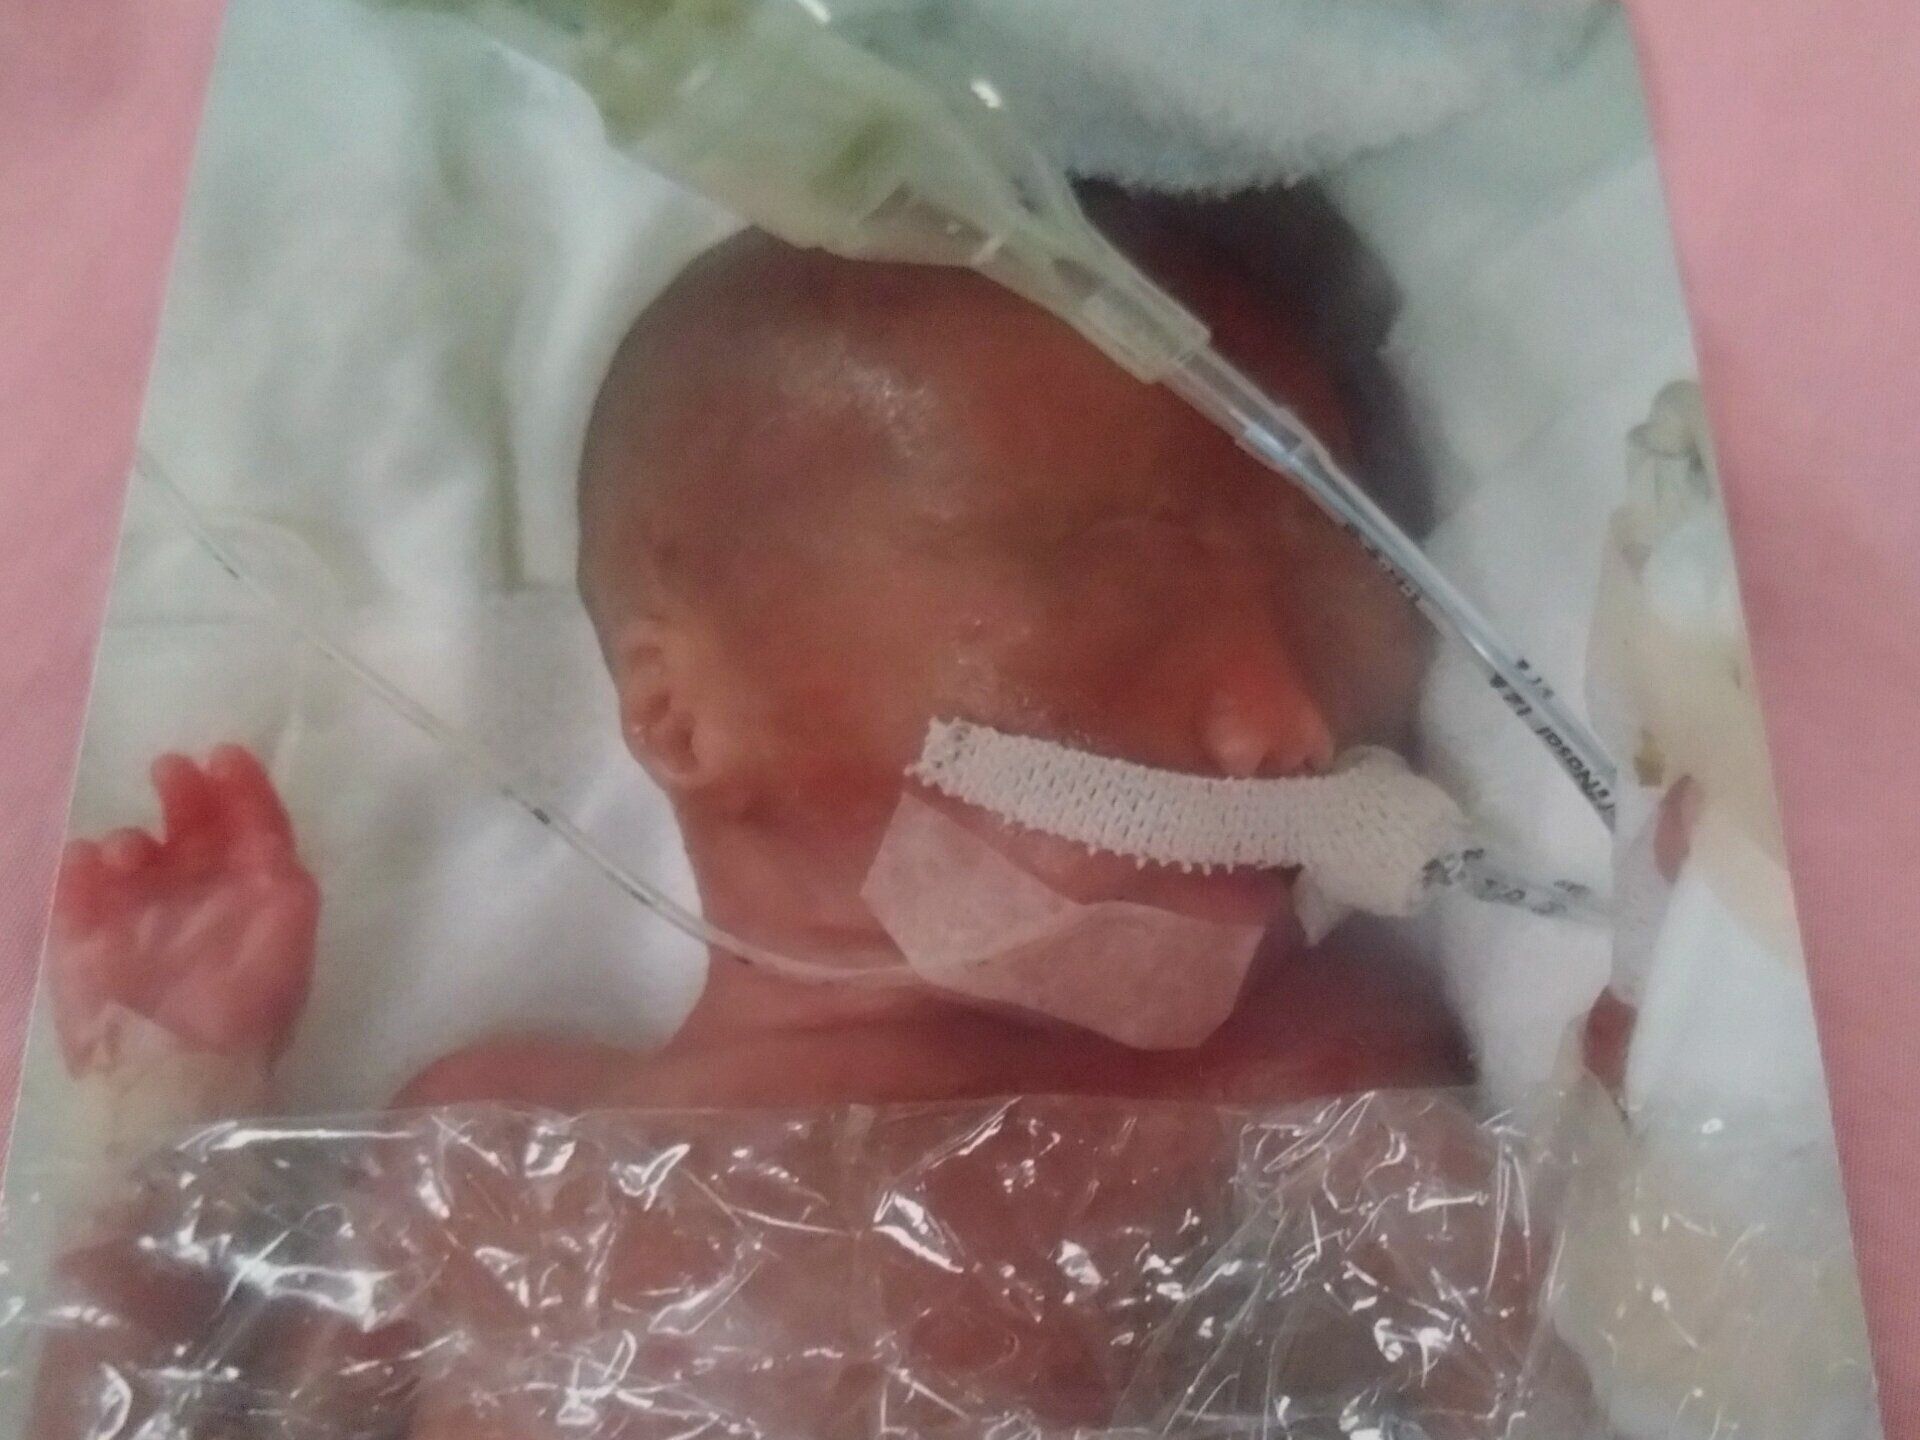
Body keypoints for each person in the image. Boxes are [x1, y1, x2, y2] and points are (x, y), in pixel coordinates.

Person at [32, 213, 1492, 1438]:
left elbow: (1539, 1378)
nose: (1294, 722)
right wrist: (170, 1105)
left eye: (1334, 631)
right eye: (1126, 607)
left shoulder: (1285, 1087)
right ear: (687, 714)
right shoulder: (492, 1136)